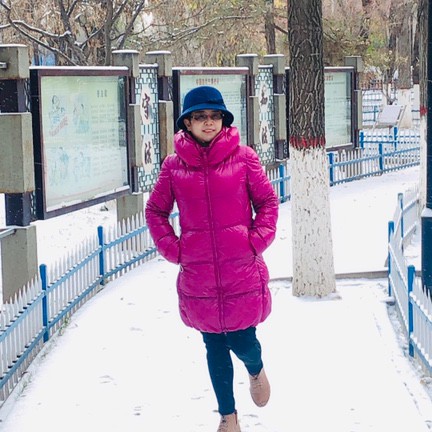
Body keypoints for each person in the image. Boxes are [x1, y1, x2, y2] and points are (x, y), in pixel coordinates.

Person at [145, 86, 279, 432]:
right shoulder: (173, 167)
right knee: (214, 346)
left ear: (223, 120)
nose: (209, 122)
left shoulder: (244, 158)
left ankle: (255, 369)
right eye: (200, 116)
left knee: (243, 340)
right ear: (187, 123)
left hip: (240, 270)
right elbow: (156, 210)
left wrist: (256, 241)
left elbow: (267, 202)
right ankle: (228, 416)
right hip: (199, 274)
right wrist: (174, 249)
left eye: (215, 116)